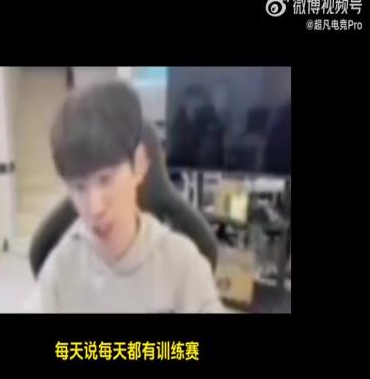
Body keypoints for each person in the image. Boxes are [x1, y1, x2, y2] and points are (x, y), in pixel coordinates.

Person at [24, 81, 224, 313]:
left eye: (105, 179)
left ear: (140, 164)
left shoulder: (183, 264)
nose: (95, 208)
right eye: (79, 187)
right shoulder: (60, 270)